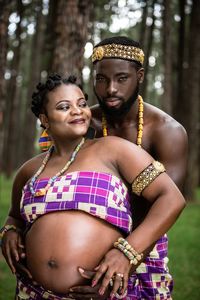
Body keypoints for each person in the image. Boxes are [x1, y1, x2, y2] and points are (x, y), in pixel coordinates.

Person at [0, 74, 185, 300]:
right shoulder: (29, 170)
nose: (77, 111)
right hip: (34, 292)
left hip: (106, 291)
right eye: (64, 106)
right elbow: (15, 217)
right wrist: (9, 232)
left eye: (82, 104)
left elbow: (171, 198)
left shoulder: (114, 150)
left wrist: (127, 254)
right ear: (45, 119)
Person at [69, 36, 188, 299]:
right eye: (101, 79)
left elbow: (166, 206)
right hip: (82, 241)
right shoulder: (83, 124)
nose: (110, 88)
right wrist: (15, 224)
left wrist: (124, 259)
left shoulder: (167, 131)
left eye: (122, 78)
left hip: (143, 241)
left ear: (140, 76)